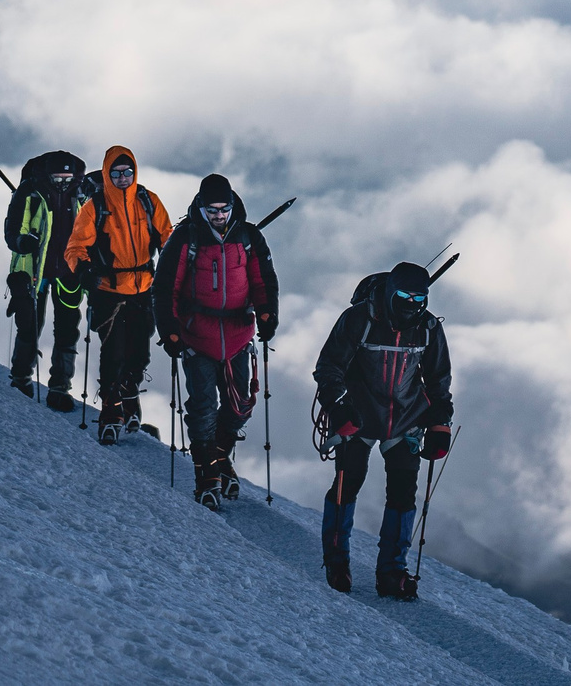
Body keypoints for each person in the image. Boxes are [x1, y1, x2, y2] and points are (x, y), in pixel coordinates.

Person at [312, 261, 453, 599]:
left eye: (421, 298)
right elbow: (328, 368)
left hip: (405, 420)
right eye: (405, 295)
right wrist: (339, 407)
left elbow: (438, 381)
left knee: (403, 492)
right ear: (391, 293)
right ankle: (337, 563)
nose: (414, 304)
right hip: (357, 417)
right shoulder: (359, 319)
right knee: (350, 481)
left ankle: (392, 572)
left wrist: (439, 424)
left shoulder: (429, 328)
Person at [153, 173, 279, 507]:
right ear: (201, 206)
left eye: (224, 208)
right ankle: (206, 474)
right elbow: (165, 288)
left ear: (233, 204)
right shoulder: (185, 238)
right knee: (204, 408)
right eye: (213, 209)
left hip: (238, 333)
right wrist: (170, 331)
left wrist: (267, 314)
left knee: (241, 405)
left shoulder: (248, 237)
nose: (219, 215)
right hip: (197, 336)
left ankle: (220, 455)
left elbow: (263, 280)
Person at [63, 145, 173, 443]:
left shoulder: (148, 201)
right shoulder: (96, 206)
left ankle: (129, 393)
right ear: (108, 174)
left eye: (128, 173)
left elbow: (167, 237)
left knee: (140, 352)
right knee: (113, 353)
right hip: (108, 291)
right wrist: (84, 270)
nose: (123, 178)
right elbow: (75, 247)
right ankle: (111, 411)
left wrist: (175, 264)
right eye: (117, 173)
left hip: (144, 289)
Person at [1, 150, 90, 405]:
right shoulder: (29, 192)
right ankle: (21, 379)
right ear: (48, 175)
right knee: (29, 325)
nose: (63, 182)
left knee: (67, 329)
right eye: (58, 178)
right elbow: (11, 230)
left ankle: (60, 388)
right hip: (33, 271)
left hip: (69, 273)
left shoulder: (81, 193)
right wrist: (21, 241)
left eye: (67, 178)